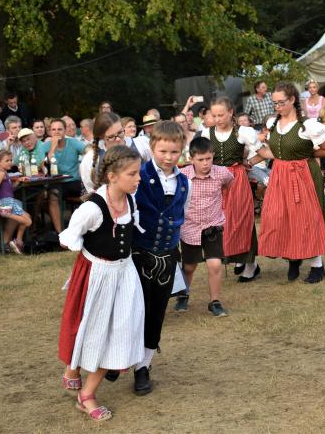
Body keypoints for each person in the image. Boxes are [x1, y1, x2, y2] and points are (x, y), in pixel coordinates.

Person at [57, 145, 146, 423]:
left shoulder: (131, 202)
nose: (138, 178)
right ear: (112, 176)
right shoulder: (92, 209)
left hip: (125, 274)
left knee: (120, 333)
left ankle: (86, 393)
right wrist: (84, 245)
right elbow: (69, 238)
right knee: (91, 331)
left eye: (138, 172)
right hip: (97, 276)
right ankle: (74, 371)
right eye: (132, 174)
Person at [105, 121, 191, 394]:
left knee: (156, 314)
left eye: (174, 152)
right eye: (163, 151)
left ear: (181, 150)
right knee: (130, 311)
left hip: (167, 257)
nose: (168, 157)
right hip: (138, 255)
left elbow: (182, 215)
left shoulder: (184, 182)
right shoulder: (137, 176)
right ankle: (117, 358)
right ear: (152, 147)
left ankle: (143, 366)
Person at [254, 81, 325, 283]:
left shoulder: (307, 125)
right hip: (280, 174)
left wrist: (305, 154)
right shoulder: (273, 123)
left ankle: (317, 265)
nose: (277, 107)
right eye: (274, 103)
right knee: (279, 216)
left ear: (292, 100)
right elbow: (274, 152)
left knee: (306, 218)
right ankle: (293, 257)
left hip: (303, 174)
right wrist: (250, 159)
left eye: (281, 102)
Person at [202, 97, 263, 282]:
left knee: (242, 220)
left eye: (221, 115)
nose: (217, 119)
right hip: (216, 180)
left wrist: (249, 162)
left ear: (230, 113)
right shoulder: (207, 132)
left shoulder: (243, 132)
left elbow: (262, 151)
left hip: (237, 179)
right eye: (214, 115)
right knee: (222, 222)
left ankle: (251, 264)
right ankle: (237, 258)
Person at [176, 137, 234, 316]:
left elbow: (229, 184)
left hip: (212, 226)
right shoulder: (182, 176)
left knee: (215, 265)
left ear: (213, 155)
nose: (205, 163)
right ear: (191, 158)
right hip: (190, 228)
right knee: (189, 267)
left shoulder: (222, 173)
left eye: (208, 158)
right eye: (200, 159)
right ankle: (183, 294)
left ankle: (214, 301)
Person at [43, 118, 87, 232]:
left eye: (59, 129)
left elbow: (88, 151)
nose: (56, 132)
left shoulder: (73, 142)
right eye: (53, 129)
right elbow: (44, 164)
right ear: (50, 131)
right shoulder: (46, 145)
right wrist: (53, 147)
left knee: (89, 193)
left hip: (74, 181)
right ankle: (60, 233)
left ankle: (84, 229)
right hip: (56, 182)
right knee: (52, 196)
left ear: (64, 130)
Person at [0, 150, 32, 254]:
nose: (10, 162)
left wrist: (17, 181)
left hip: (9, 200)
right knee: (28, 222)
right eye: (7, 160)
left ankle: (18, 241)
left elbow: (8, 190)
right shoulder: (1, 173)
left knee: (27, 217)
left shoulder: (4, 172)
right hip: (6, 202)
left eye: (11, 160)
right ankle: (7, 215)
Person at [80, 113, 127, 195]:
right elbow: (91, 192)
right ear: (101, 137)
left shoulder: (135, 148)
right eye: (111, 137)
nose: (118, 139)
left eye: (120, 132)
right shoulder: (90, 159)